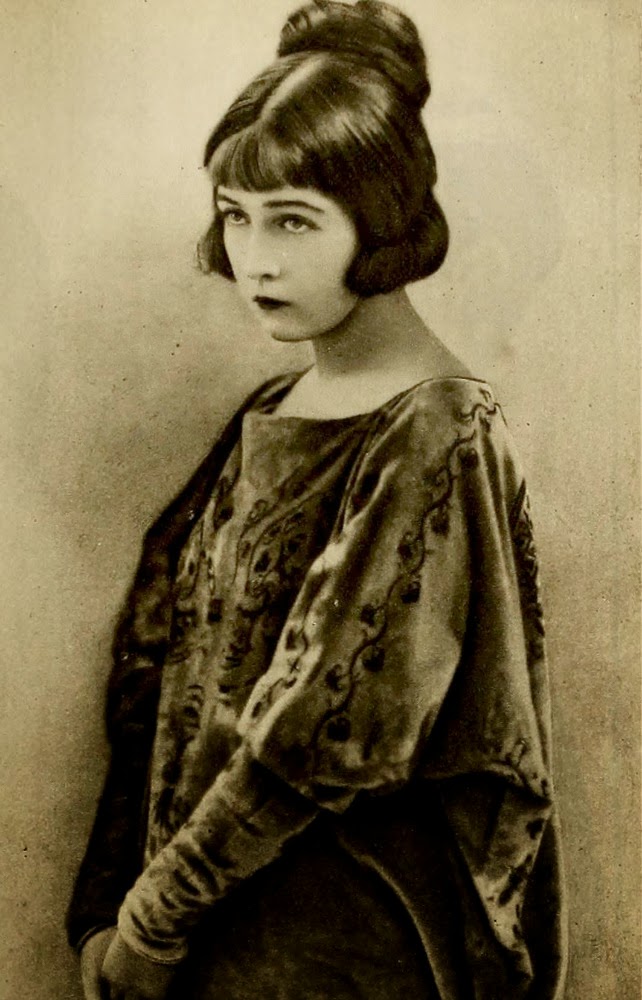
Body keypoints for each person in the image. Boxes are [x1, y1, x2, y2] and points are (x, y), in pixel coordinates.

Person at [67, 2, 567, 998]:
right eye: (235, 215)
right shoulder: (272, 405)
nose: (255, 257)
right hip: (213, 933)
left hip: (346, 944)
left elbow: (324, 731)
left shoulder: (437, 428)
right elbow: (167, 674)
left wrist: (149, 929)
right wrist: (109, 912)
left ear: (380, 218)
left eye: (294, 220)